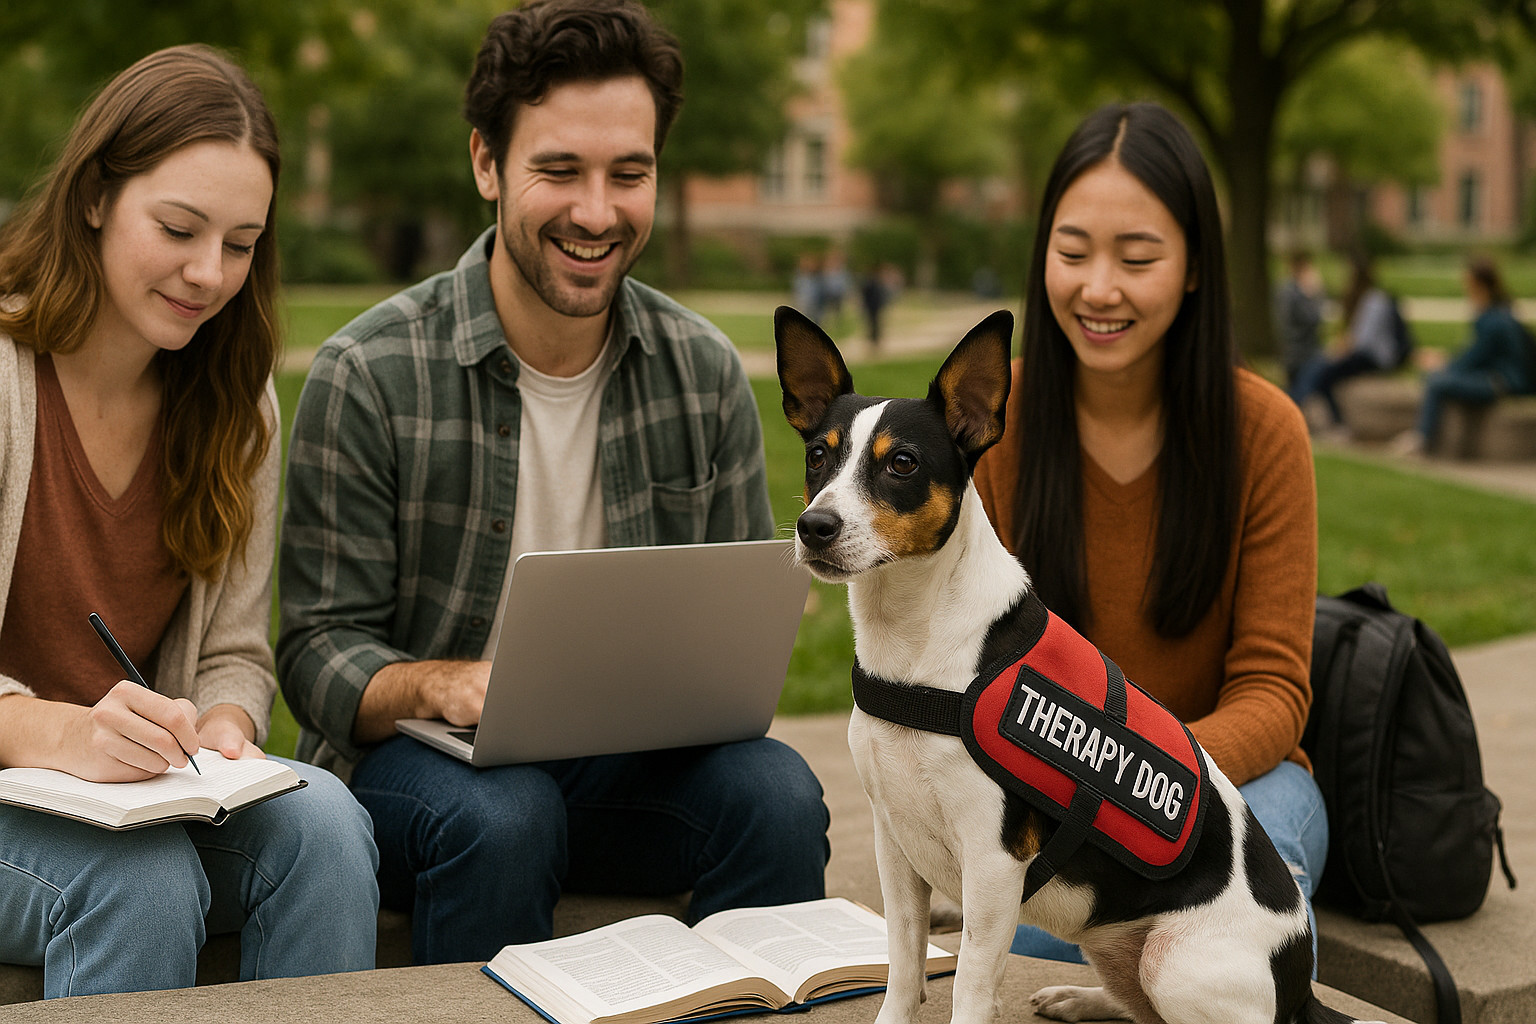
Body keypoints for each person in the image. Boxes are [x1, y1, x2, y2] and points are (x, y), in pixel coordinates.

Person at [277, 0, 830, 967]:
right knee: (509, 813)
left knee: (779, 794)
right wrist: (441, 686)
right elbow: (315, 653)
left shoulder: (702, 373)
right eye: (559, 170)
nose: (596, 211)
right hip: (420, 779)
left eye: (630, 173)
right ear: (487, 164)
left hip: (626, 773)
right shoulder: (367, 371)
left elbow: (745, 646)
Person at [0, 45, 378, 998]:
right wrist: (57, 733)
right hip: (38, 796)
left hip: (141, 796)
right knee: (139, 881)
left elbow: (237, 649)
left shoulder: (234, 401)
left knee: (328, 823)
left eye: (243, 243)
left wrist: (223, 722)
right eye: (178, 228)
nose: (209, 274)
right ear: (94, 197)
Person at [968, 102, 1326, 965]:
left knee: (1238, 947)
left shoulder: (1264, 432)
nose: (1099, 288)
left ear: (1196, 265)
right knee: (1051, 947)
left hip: (1237, 783)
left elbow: (1275, 690)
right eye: (1072, 252)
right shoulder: (989, 424)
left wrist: (1143, 778)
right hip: (1047, 792)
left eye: (1138, 258)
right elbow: (966, 670)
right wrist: (1084, 792)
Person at [1391, 256, 1536, 455]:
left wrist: (1442, 365)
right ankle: (1422, 436)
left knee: (1436, 381)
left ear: (1478, 285)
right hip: (1502, 377)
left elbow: (1474, 358)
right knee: (1438, 378)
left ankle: (1422, 438)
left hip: (1503, 382)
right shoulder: (1500, 312)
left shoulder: (1493, 320)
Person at [1289, 255, 1399, 433]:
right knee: (1316, 367)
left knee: (1324, 371)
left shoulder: (1375, 300)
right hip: (1361, 353)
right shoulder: (1362, 299)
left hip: (1373, 358)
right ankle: (1298, 405)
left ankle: (1304, 410)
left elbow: (1363, 341)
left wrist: (1342, 349)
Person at [1275, 248, 1325, 390]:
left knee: (1301, 389)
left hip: (1292, 351)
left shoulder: (1283, 289)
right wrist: (1316, 292)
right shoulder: (1295, 293)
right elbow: (1313, 317)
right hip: (1301, 353)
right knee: (1299, 391)